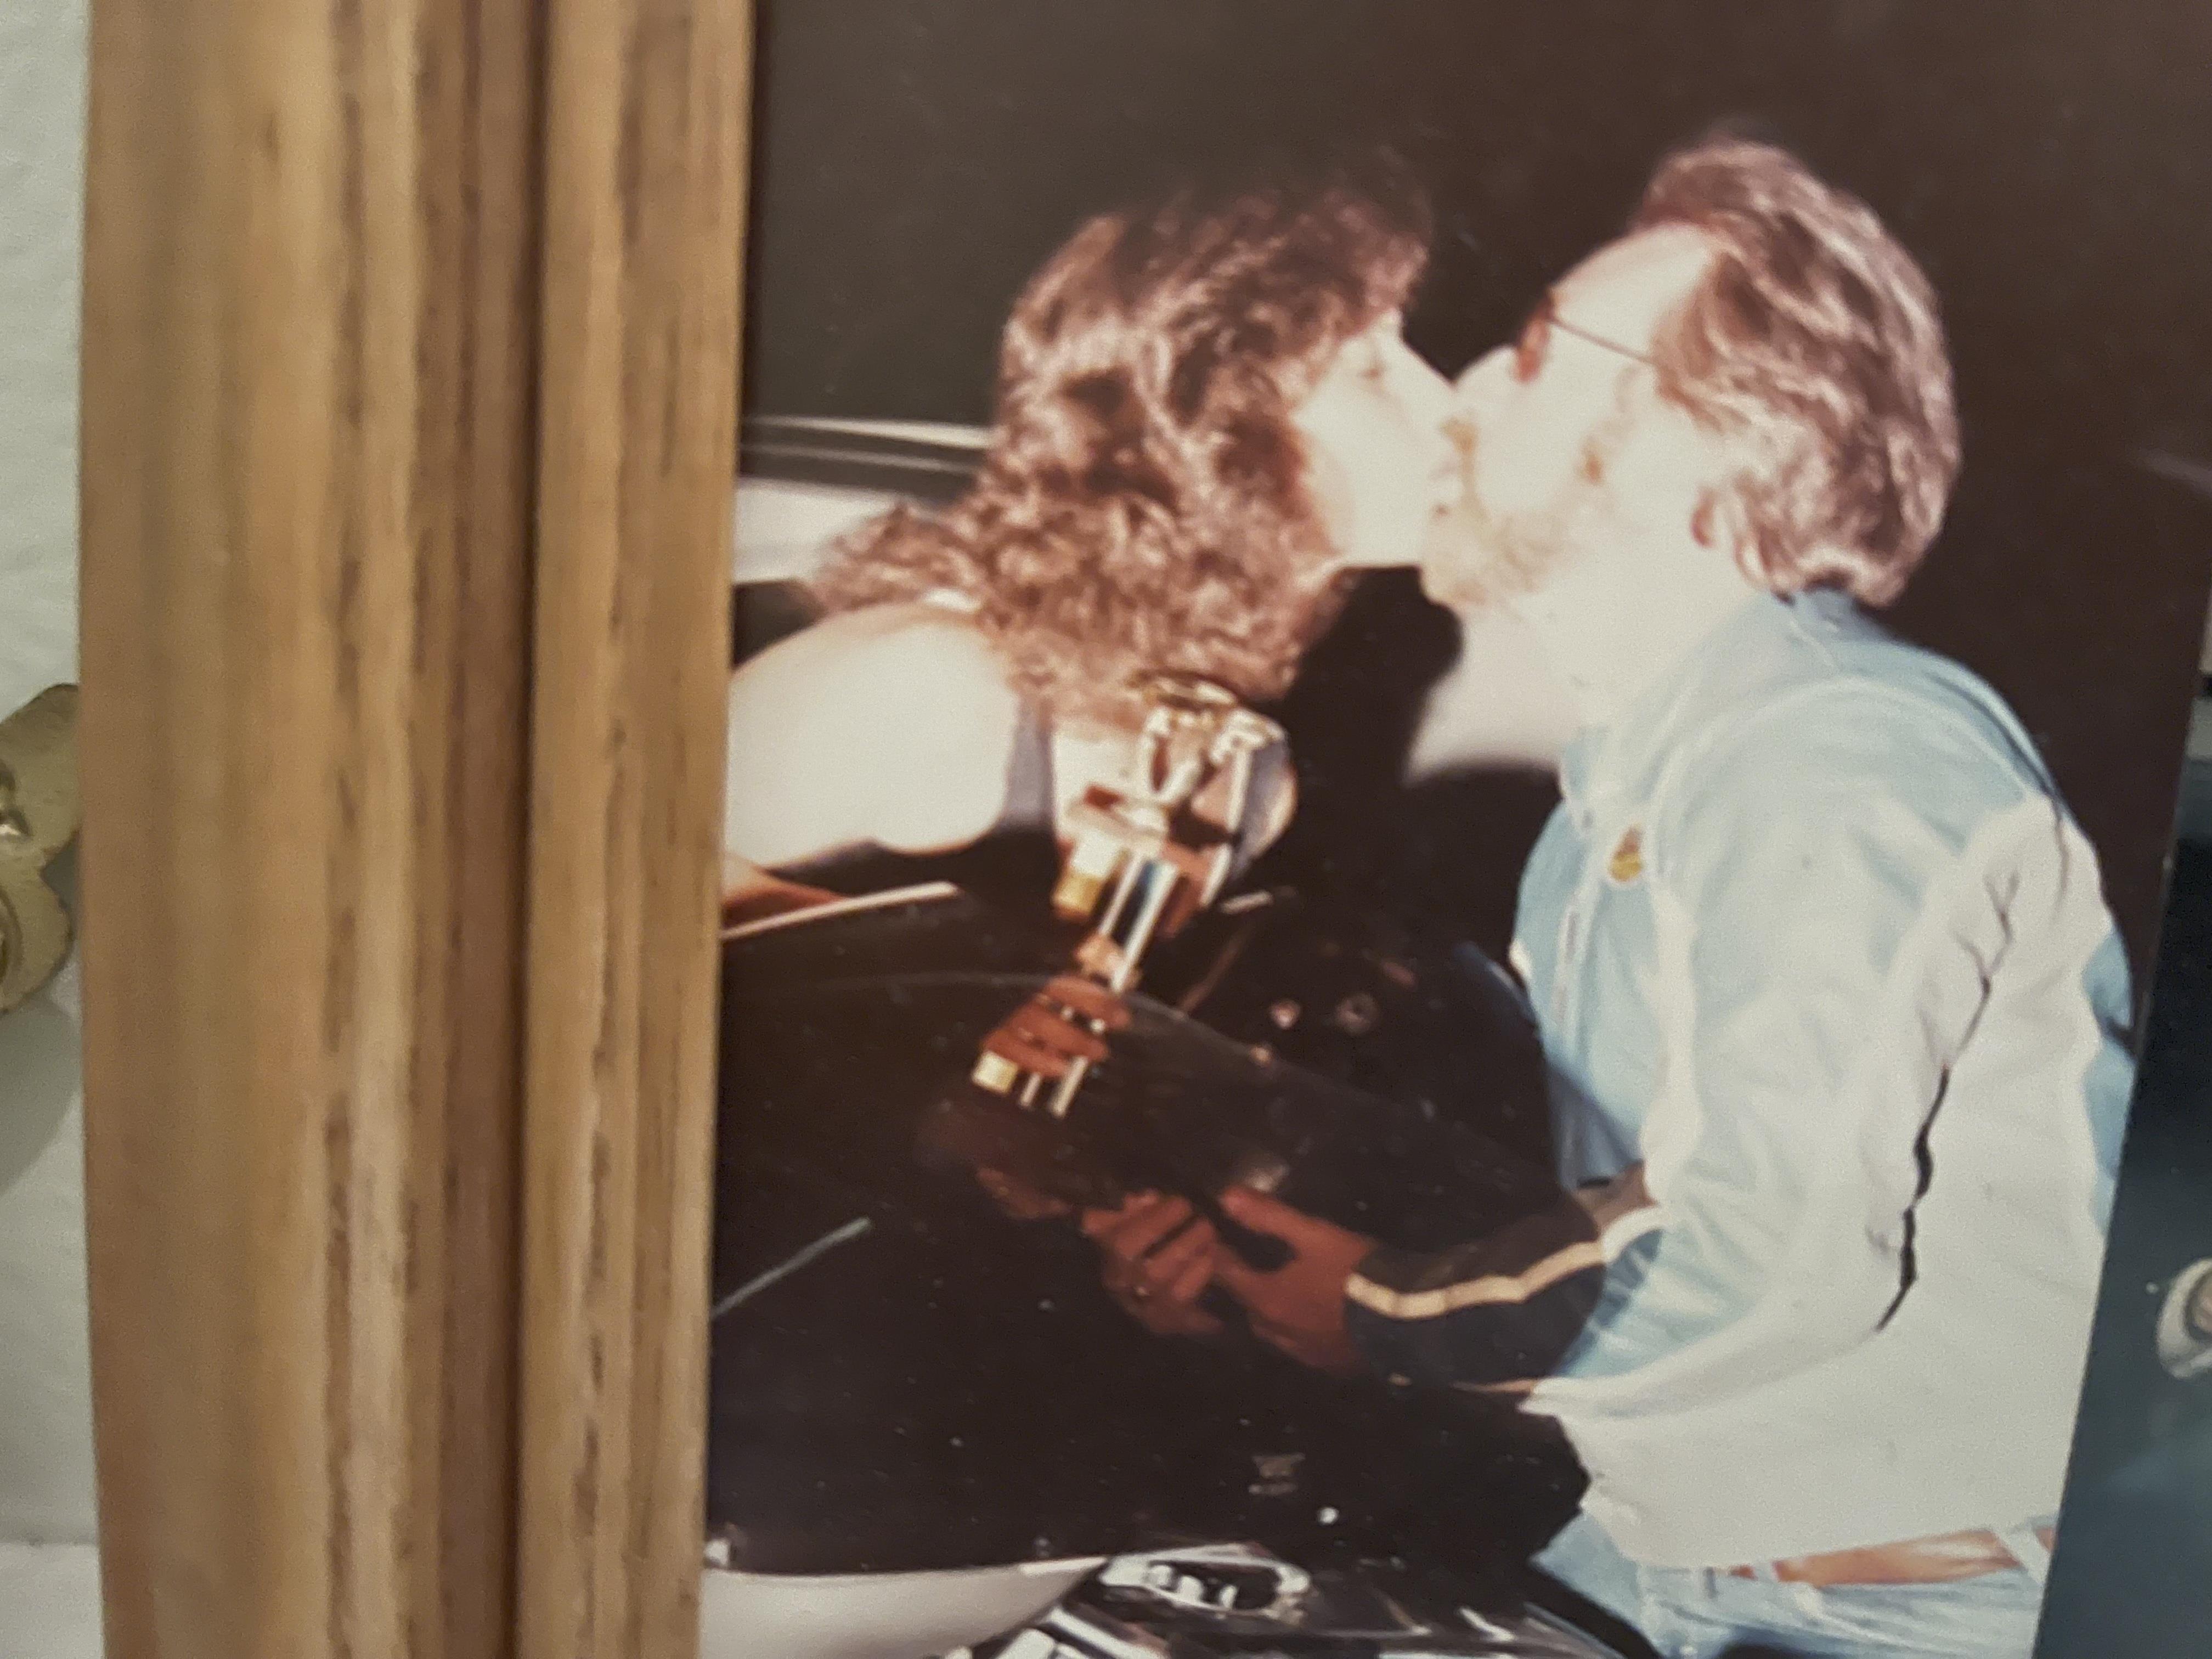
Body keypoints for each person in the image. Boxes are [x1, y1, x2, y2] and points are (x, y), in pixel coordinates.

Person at [1085, 133, 2137, 1657]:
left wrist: (1385, 1315)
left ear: (1714, 433)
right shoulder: (1631, 794)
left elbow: (1761, 1247)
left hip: (1905, 1609)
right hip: (1692, 1564)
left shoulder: (1833, 745)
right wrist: (1275, 1278)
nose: (1458, 397)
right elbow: (1608, 1242)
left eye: (1528, 351)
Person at [720, 159, 1457, 924]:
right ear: (1222, 426)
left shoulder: (1243, 782)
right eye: (1373, 368)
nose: (1443, 404)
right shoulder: (929, 682)